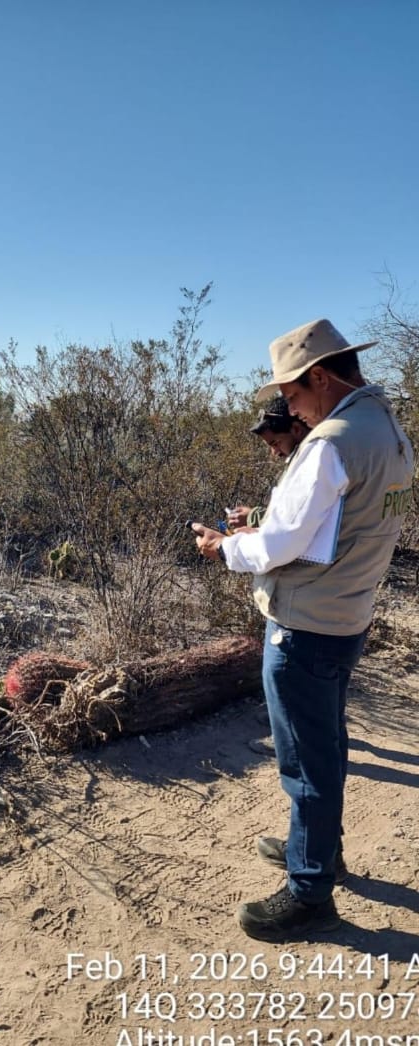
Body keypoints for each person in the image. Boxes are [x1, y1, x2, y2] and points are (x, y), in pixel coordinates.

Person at [191, 318, 413, 942]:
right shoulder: (390, 430)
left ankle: (310, 888)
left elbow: (286, 543)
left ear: (320, 377)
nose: (287, 407)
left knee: (305, 761)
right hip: (348, 616)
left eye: (289, 394)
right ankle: (317, 847)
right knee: (326, 743)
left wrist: (223, 548)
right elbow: (336, 526)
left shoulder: (331, 441)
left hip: (305, 623)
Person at [226, 396, 314, 532]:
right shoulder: (305, 459)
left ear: (296, 429)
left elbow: (295, 523)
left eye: (276, 443)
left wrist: (253, 517)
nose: (274, 452)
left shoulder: (314, 464)